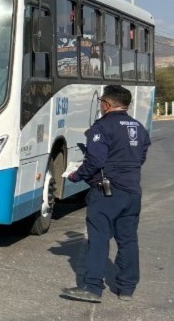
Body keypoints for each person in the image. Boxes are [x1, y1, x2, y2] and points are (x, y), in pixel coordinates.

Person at [60, 85, 150, 303]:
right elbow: (140, 157)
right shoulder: (139, 127)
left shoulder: (101, 127)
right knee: (128, 240)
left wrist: (76, 175)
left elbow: (96, 161)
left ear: (106, 104)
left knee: (99, 238)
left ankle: (92, 287)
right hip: (132, 192)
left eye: (101, 102)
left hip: (107, 192)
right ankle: (126, 288)